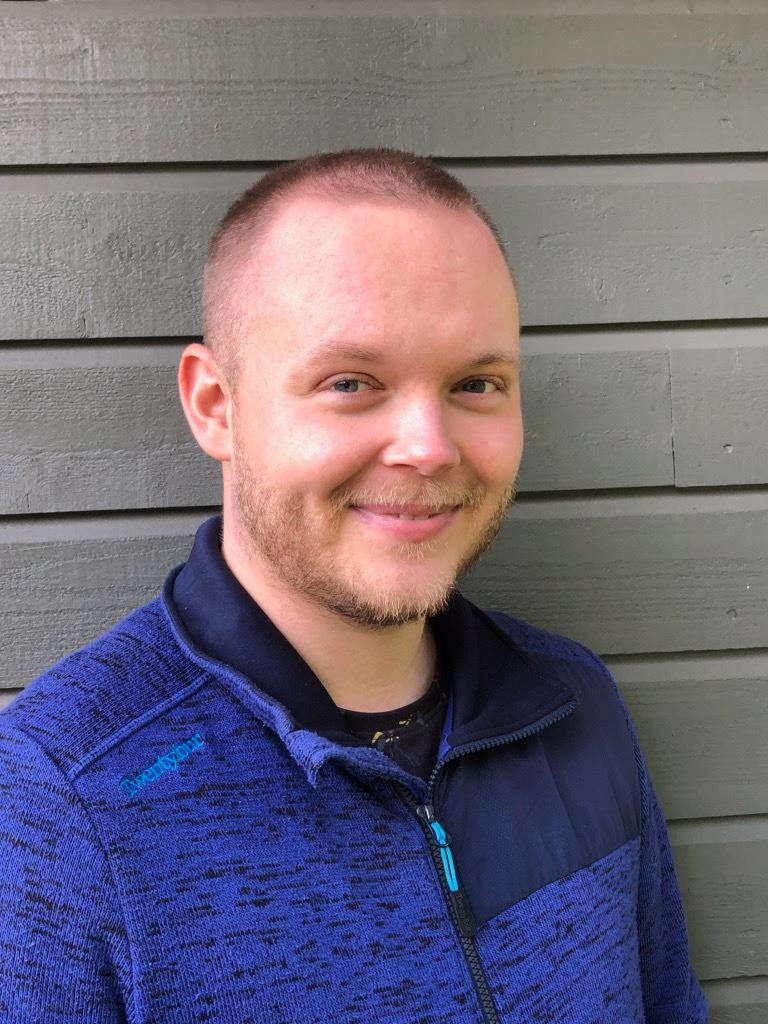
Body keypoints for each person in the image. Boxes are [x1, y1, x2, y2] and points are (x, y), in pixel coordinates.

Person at [0, 148, 707, 1023]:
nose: (429, 446)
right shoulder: (56, 800)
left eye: (476, 383)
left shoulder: (575, 705)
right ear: (216, 406)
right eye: (351, 383)